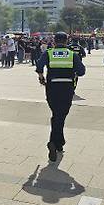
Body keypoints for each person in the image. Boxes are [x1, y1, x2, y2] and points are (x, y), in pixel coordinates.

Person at [36, 32, 86, 162]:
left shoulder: (48, 53)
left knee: (56, 114)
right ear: (66, 41)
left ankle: (58, 142)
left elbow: (39, 65)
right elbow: (81, 71)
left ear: (54, 41)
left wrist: (41, 77)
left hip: (52, 88)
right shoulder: (72, 55)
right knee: (61, 115)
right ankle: (54, 142)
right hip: (67, 88)